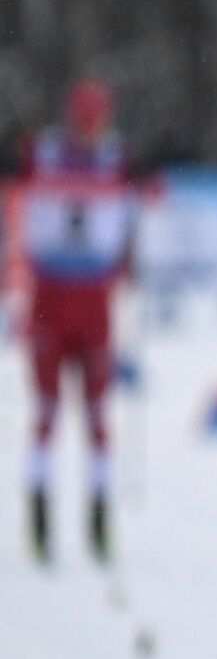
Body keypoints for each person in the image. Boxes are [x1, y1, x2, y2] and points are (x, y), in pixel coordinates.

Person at [18, 78, 135, 564]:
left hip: (89, 302)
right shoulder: (56, 154)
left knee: (95, 416)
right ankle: (42, 515)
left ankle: (98, 519)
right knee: (48, 412)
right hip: (54, 298)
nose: (91, 129)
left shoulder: (107, 157)